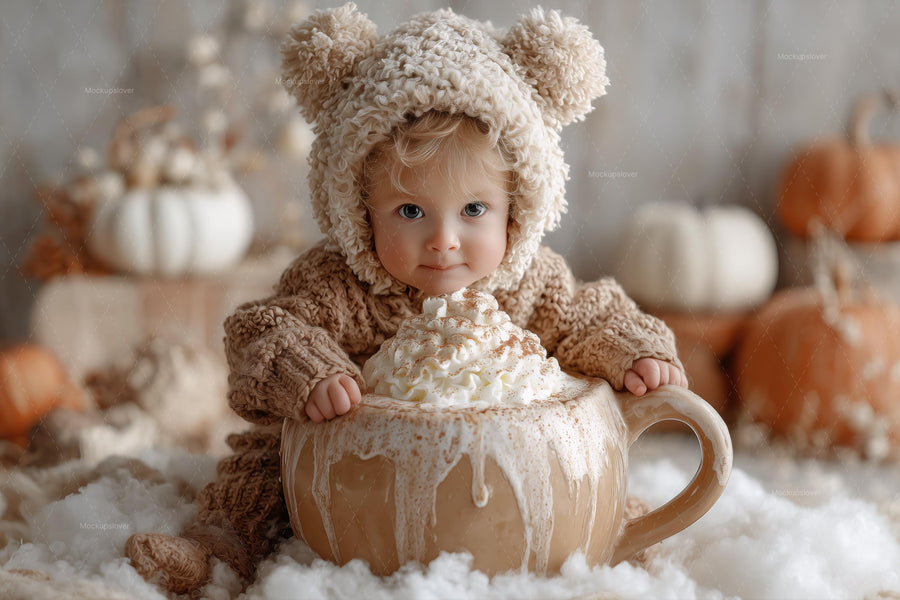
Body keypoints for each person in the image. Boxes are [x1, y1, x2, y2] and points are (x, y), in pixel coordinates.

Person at [125, 4, 686, 594]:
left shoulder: (530, 283)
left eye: (474, 210)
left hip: (496, 464)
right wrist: (305, 370)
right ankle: (219, 549)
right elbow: (261, 329)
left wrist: (634, 351)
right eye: (411, 211)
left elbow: (588, 318)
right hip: (351, 466)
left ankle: (599, 536)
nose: (444, 241)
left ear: (517, 209)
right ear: (360, 210)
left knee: (576, 458)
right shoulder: (338, 283)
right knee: (263, 465)